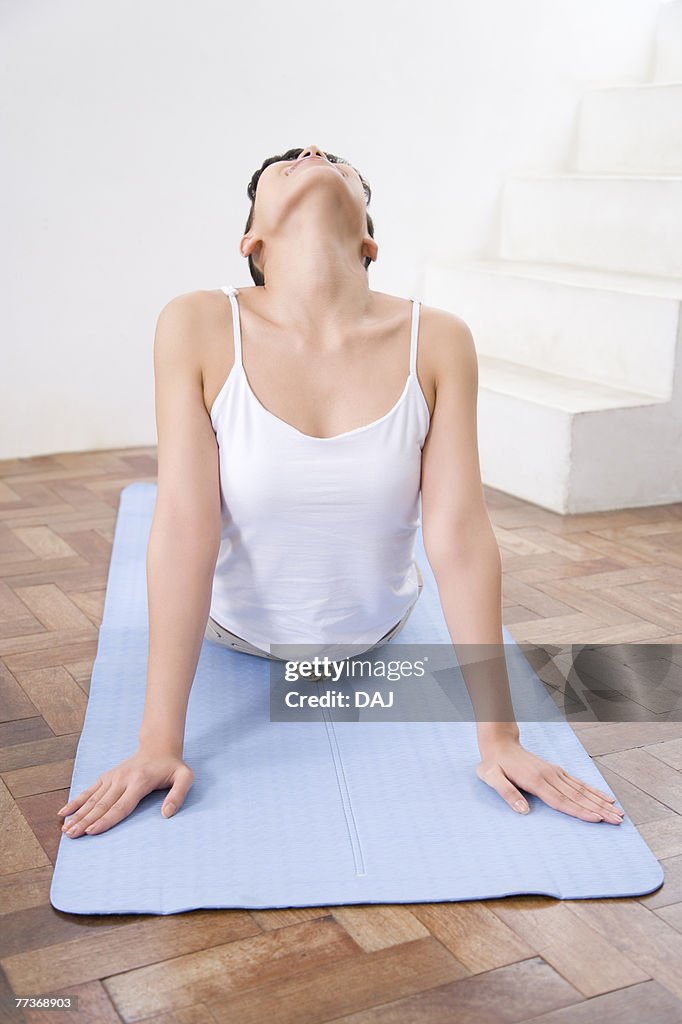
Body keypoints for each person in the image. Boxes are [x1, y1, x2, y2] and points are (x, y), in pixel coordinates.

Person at [58, 144, 624, 838]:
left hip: (376, 631)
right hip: (237, 633)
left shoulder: (438, 338)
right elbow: (183, 523)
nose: (313, 153)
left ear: (369, 239)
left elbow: (460, 533)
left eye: (341, 166)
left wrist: (499, 738)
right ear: (253, 243)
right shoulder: (199, 323)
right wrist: (158, 744)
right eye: (284, 164)